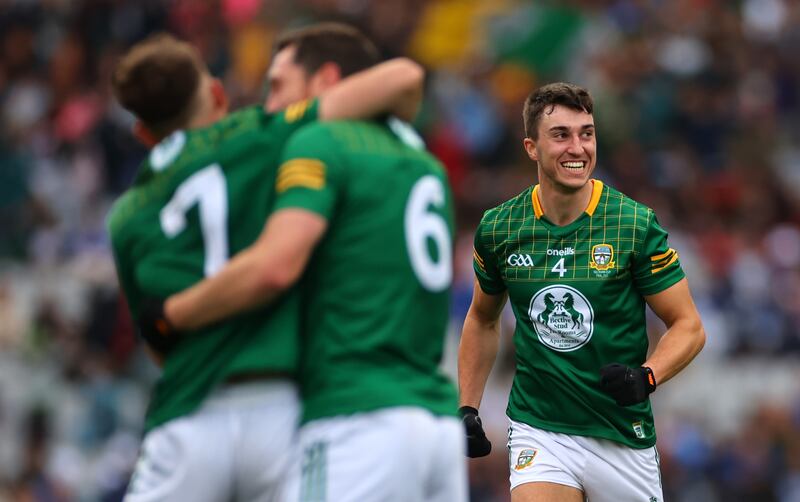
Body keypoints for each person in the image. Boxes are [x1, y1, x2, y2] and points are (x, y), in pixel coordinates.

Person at [141, 24, 468, 502]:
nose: (268, 107)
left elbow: (276, 265)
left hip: (356, 418)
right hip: (436, 422)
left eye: (277, 87)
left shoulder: (320, 142)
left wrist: (173, 313)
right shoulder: (422, 160)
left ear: (326, 80)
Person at [457, 82, 706, 502]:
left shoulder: (633, 224)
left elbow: (689, 326)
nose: (578, 147)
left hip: (621, 436)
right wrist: (467, 407)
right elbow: (482, 317)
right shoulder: (500, 228)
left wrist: (647, 376)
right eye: (561, 135)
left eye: (586, 133)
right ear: (531, 147)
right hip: (541, 429)